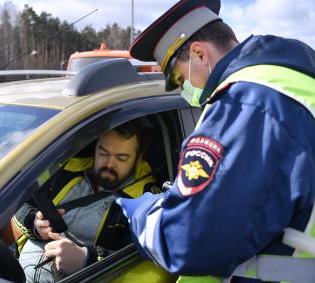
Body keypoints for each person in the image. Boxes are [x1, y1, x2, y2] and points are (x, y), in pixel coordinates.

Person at [116, 0, 315, 282]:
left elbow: (188, 241)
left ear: (199, 54)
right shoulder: (290, 81)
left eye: (178, 77)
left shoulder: (246, 103)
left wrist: (141, 211)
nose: (184, 89)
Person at [13, 121, 161, 283]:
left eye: (121, 158)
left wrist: (86, 258)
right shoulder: (67, 169)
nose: (110, 164)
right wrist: (34, 222)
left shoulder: (144, 202)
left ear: (138, 158)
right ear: (95, 148)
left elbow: (144, 264)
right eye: (103, 153)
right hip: (16, 270)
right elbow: (17, 204)